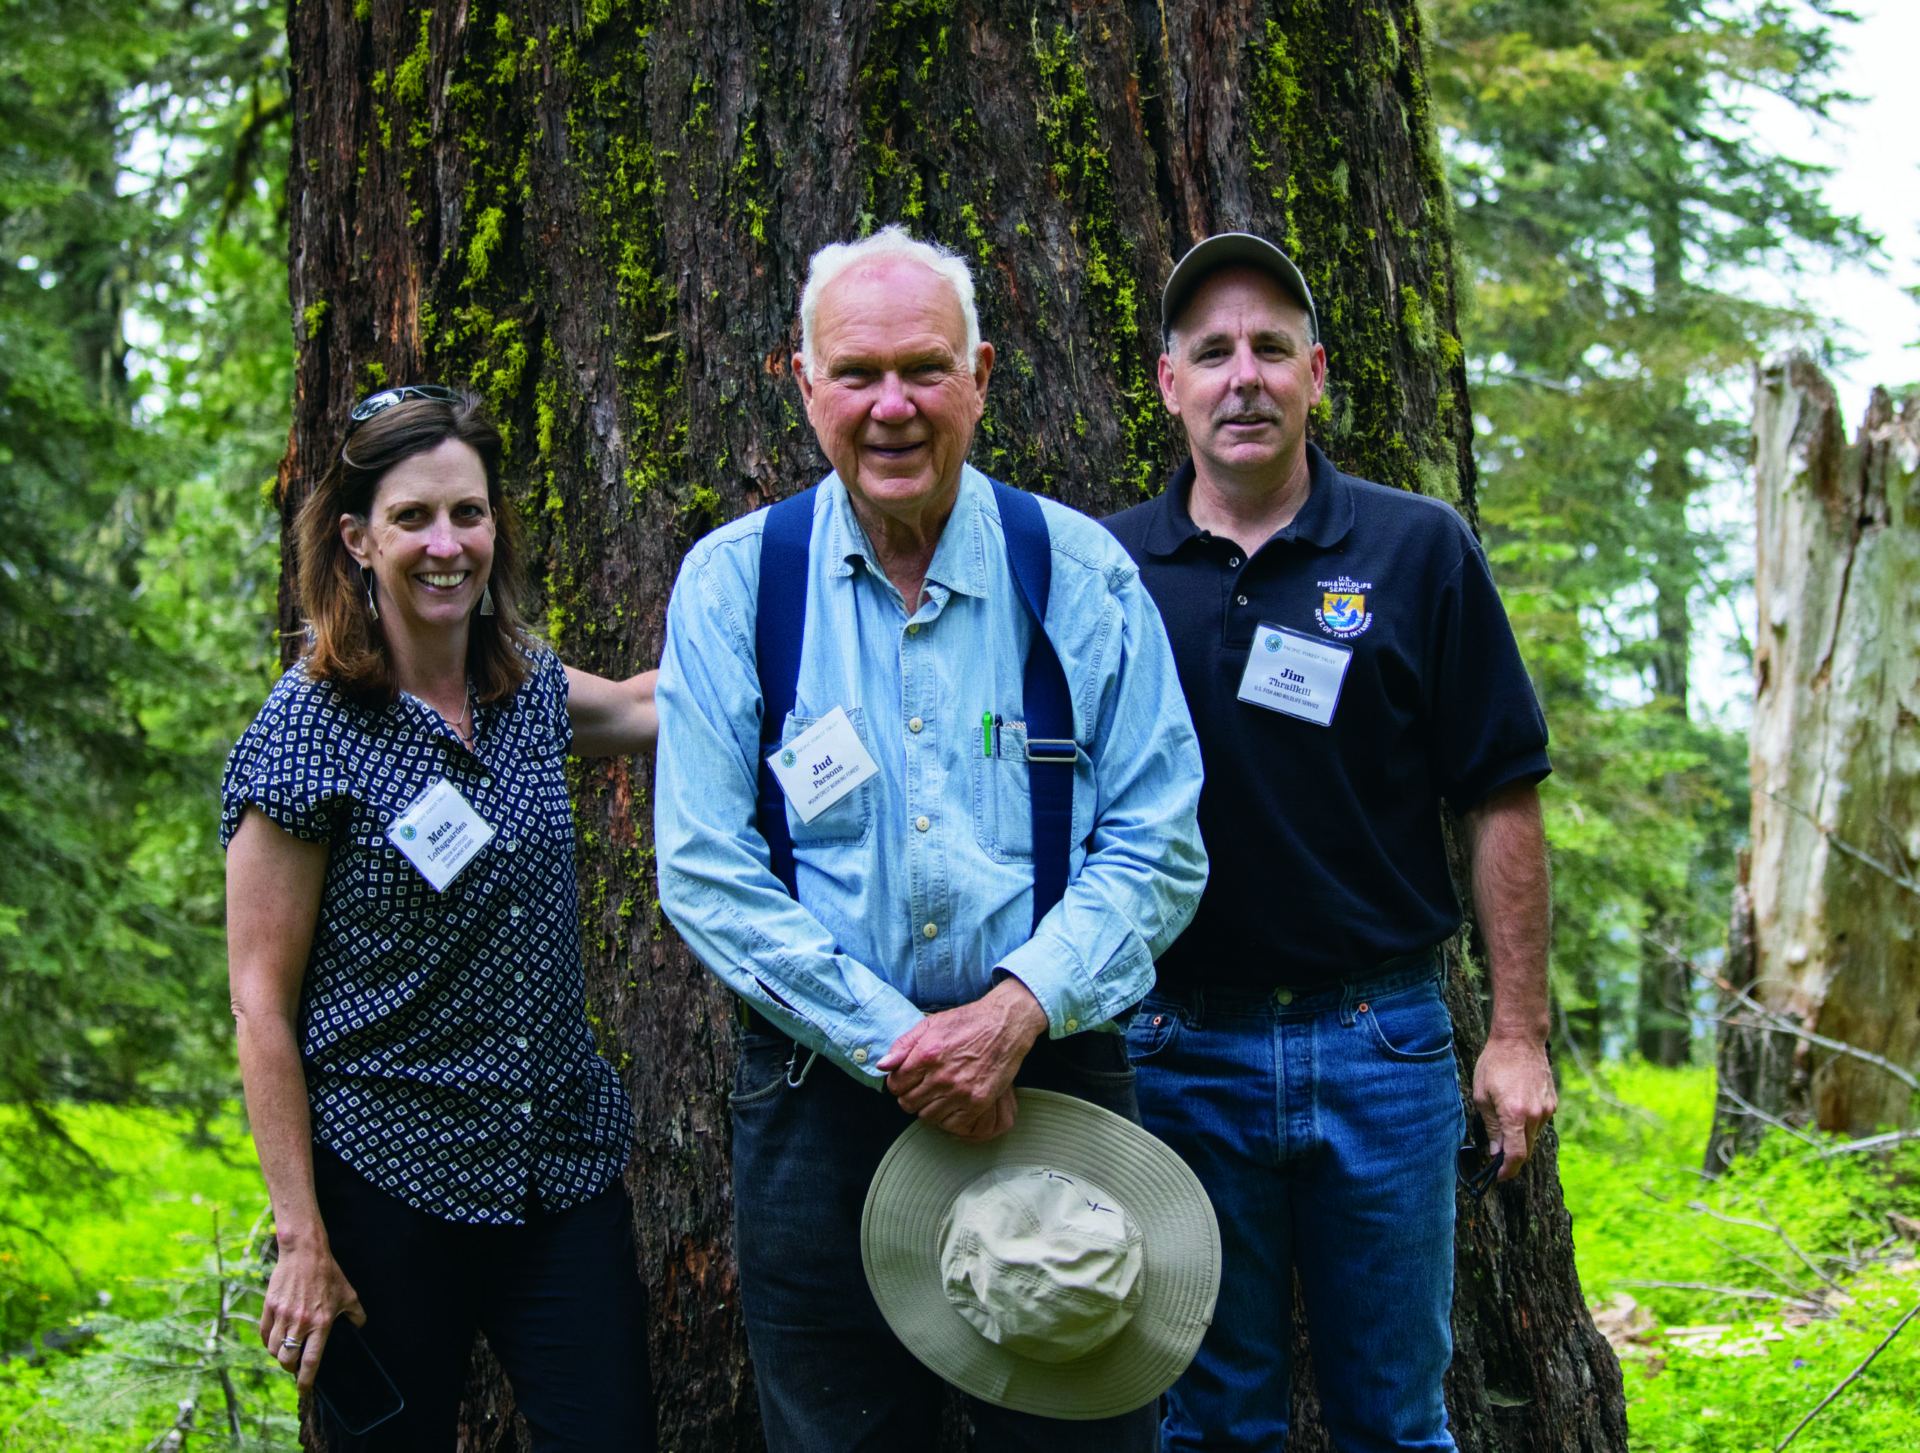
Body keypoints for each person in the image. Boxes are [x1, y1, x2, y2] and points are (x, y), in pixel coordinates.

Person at [652, 226, 1208, 1452]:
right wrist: (898, 1042)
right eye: (856, 374)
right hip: (818, 1096)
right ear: (802, 385)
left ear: (983, 376)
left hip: (1051, 1074)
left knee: (1080, 1434)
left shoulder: (1079, 573)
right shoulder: (735, 584)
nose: (890, 406)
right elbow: (702, 868)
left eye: (923, 368)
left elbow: (1160, 839)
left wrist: (1011, 1014)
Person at [1104, 234, 1559, 1452]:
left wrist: (1517, 1034)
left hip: (1383, 1040)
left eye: (1268, 349)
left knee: (1396, 1423)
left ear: (1317, 372)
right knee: (1207, 1426)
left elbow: (1503, 794)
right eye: (1212, 353)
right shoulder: (1106, 570)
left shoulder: (1418, 549)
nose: (1241, 376)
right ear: (1169, 384)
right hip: (1174, 1046)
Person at [223, 386, 659, 1451]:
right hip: (386, 1189)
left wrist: (803, 618)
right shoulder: (308, 729)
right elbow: (259, 1003)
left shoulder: (525, 688)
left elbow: (653, 707)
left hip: (557, 1174)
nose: (445, 544)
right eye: (412, 518)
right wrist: (301, 1238)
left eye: (466, 513)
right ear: (356, 539)